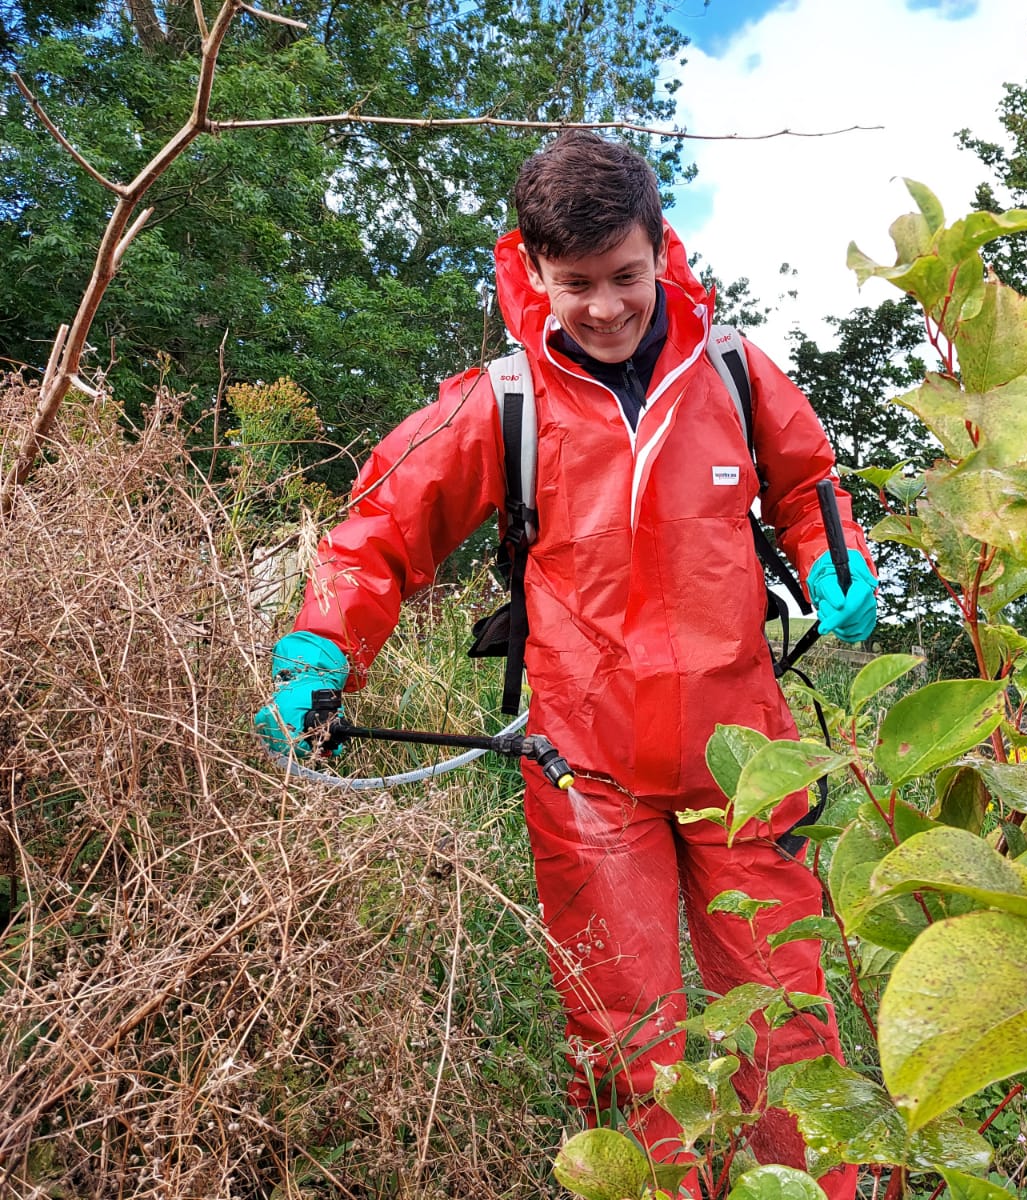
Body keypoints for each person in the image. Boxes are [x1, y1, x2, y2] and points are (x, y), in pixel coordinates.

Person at [254, 130, 876, 1198]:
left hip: (748, 765)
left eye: (626, 276)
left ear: (661, 251)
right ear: (533, 269)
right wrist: (318, 652)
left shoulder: (731, 368)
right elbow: (379, 534)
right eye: (577, 283)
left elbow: (807, 483)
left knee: (788, 1032)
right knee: (631, 1042)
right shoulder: (501, 401)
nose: (605, 306)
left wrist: (839, 565)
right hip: (587, 769)